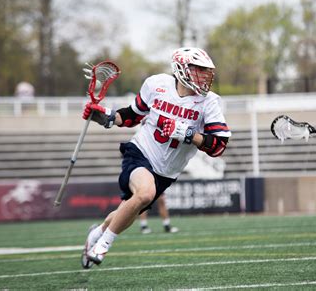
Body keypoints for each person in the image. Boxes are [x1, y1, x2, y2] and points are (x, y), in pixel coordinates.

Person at [80, 47, 231, 268]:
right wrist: (106, 117)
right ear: (181, 69)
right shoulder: (157, 85)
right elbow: (132, 115)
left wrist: (189, 134)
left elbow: (218, 146)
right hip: (141, 152)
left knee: (129, 209)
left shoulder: (209, 102)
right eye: (198, 69)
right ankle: (102, 246)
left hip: (167, 172)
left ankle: (98, 232)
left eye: (206, 71)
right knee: (145, 193)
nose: (204, 76)